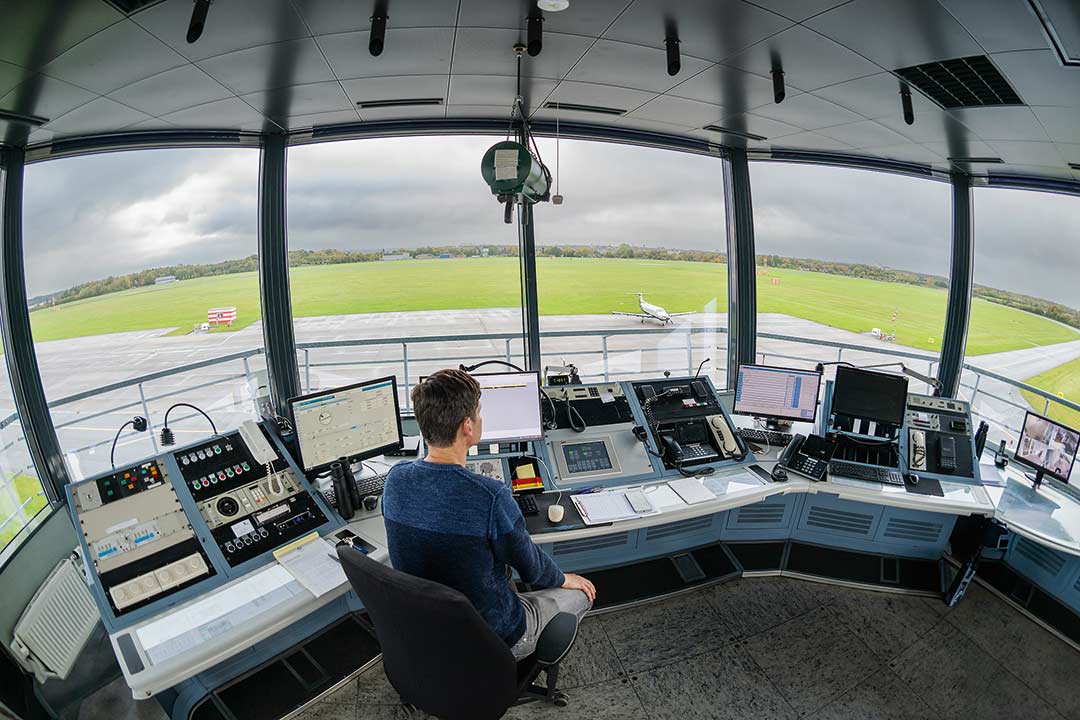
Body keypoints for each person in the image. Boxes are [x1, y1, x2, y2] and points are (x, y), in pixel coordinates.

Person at [382, 369, 595, 659]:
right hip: (496, 634)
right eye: (480, 412)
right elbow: (532, 568)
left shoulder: (395, 479)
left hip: (426, 627)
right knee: (581, 592)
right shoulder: (490, 495)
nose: (482, 418)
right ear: (467, 425)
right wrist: (565, 578)